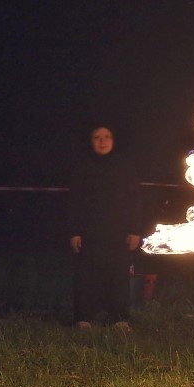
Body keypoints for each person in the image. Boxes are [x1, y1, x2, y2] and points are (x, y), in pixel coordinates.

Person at [68, 125, 142, 329]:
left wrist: (135, 230)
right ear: (90, 140)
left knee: (118, 274)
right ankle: (83, 317)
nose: (102, 141)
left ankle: (118, 317)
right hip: (89, 230)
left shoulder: (125, 167)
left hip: (118, 231)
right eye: (97, 137)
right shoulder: (82, 167)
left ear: (114, 140)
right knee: (85, 275)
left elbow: (134, 200)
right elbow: (74, 201)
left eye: (107, 136)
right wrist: (74, 231)